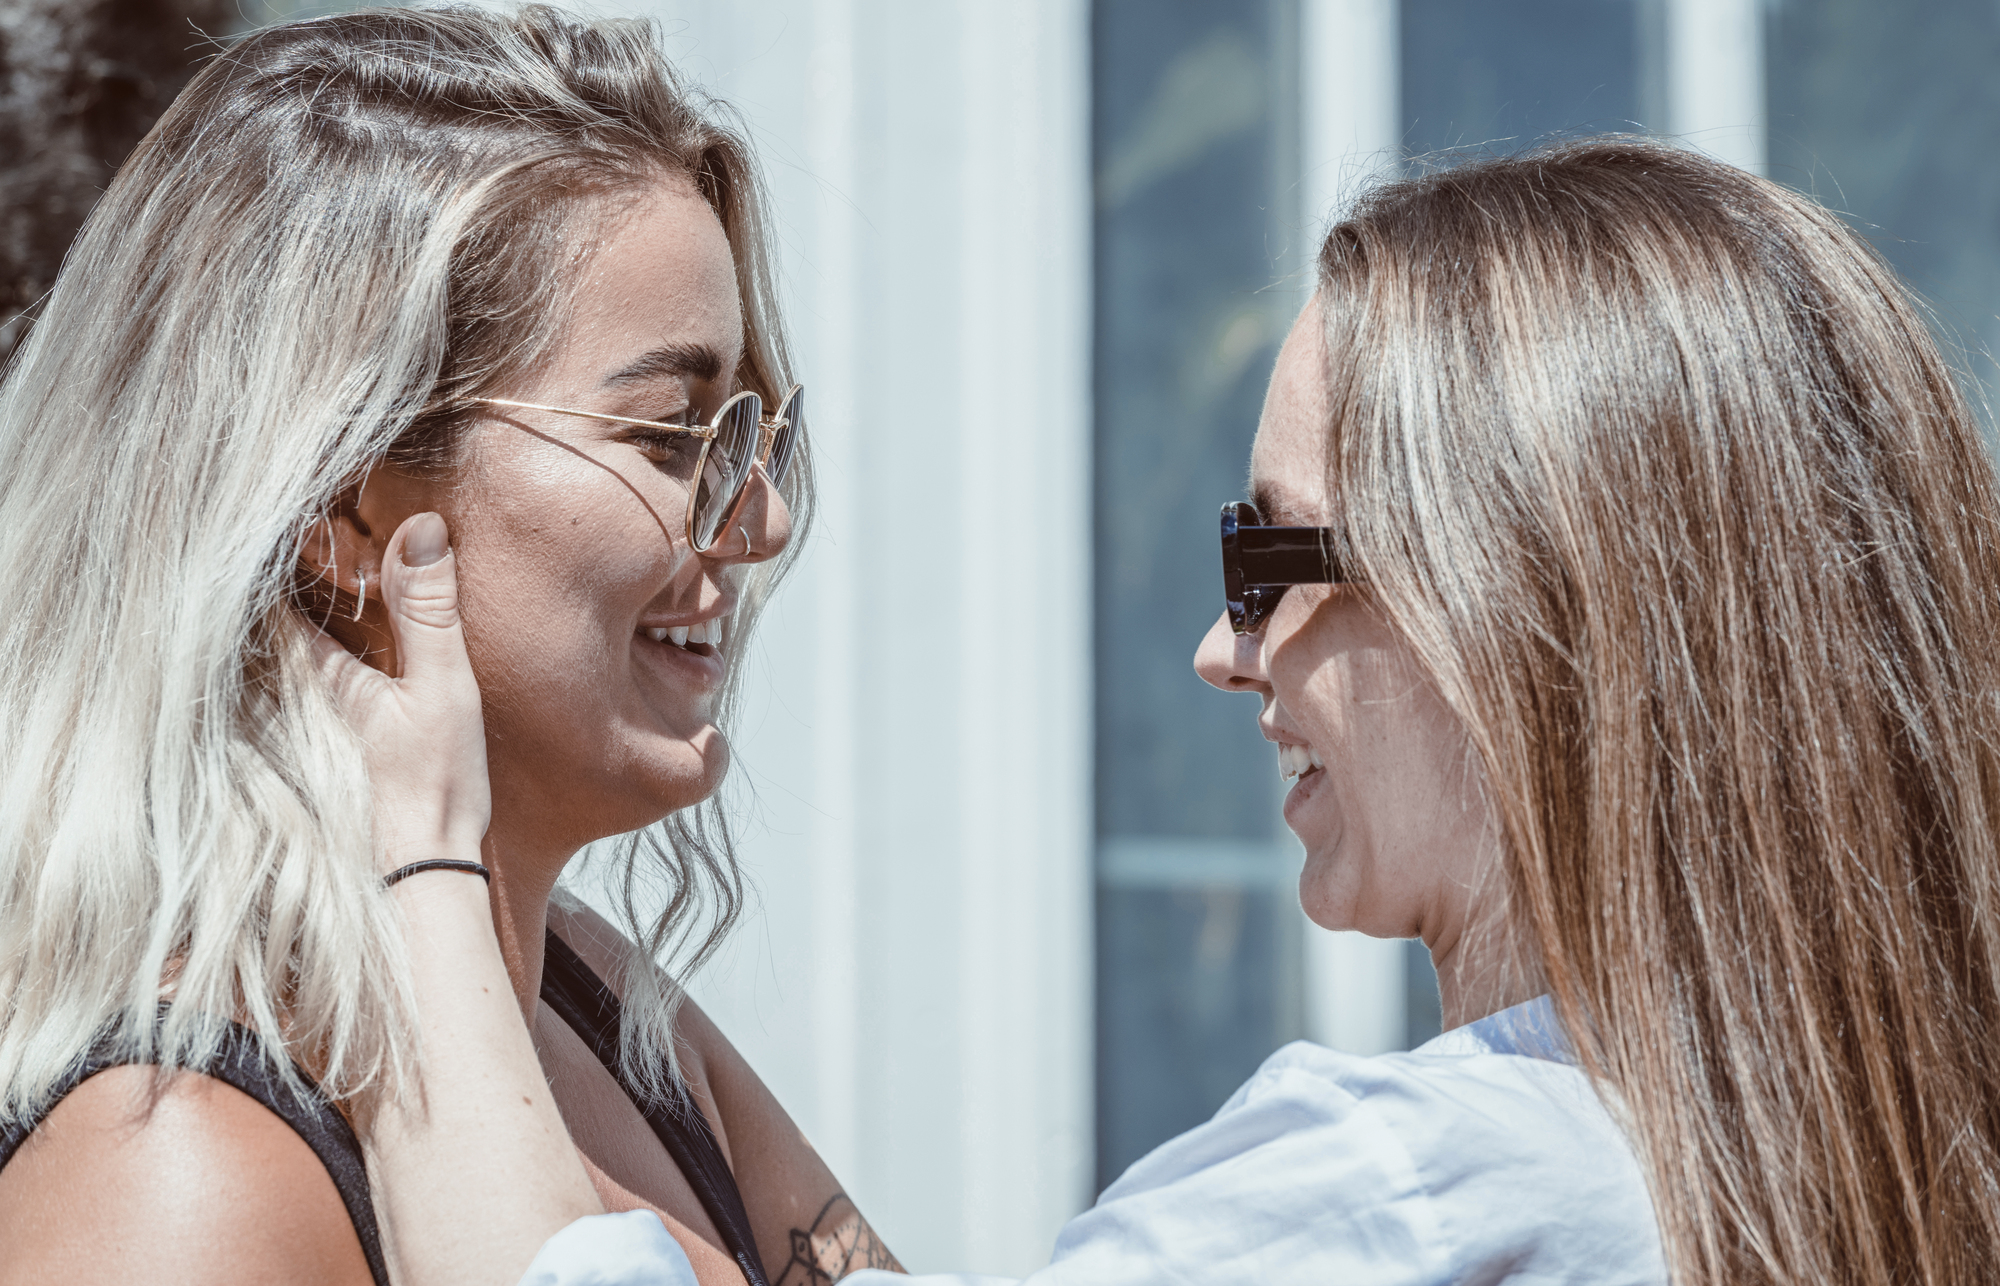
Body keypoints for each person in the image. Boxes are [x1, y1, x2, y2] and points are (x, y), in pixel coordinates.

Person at [377, 136, 2000, 1285]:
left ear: (1526, 609)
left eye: (1275, 553)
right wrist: (576, 956)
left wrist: (427, 867)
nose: (1229, 654)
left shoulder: (1423, 1192)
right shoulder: (1867, 1158)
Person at [0, 7, 900, 1285]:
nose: (761, 516)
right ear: (348, 513)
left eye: (754, 431)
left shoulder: (584, 994)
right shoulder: (175, 1167)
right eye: (666, 436)